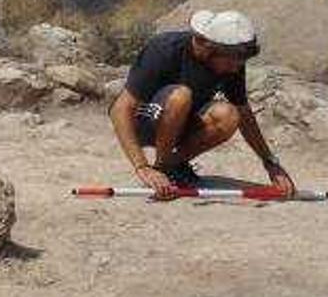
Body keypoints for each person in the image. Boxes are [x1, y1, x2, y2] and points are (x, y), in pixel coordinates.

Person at [108, 10, 295, 200]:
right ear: (208, 49)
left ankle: (173, 166)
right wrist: (142, 167)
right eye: (231, 62)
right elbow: (120, 109)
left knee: (229, 115)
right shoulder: (164, 48)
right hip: (145, 123)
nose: (235, 68)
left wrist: (270, 162)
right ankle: (161, 168)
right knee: (181, 96)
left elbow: (243, 112)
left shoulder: (232, 59)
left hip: (182, 123)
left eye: (240, 62)